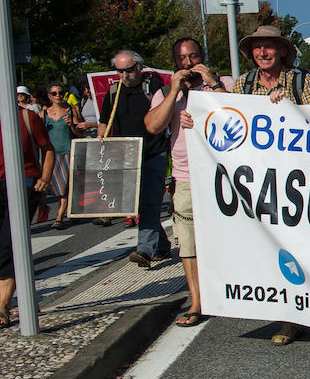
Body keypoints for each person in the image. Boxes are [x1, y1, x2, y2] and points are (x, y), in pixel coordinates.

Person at [231, 26, 310, 345]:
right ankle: (289, 318)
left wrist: (289, 109)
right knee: (277, 251)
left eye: (269, 47)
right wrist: (195, 121)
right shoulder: (243, 85)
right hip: (262, 182)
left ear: (281, 51)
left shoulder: (301, 81)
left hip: (301, 179)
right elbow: (227, 121)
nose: (263, 53)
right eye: (257, 48)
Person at [145, 38, 232, 327]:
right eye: (182, 59)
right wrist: (173, 92)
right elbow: (153, 126)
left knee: (229, 238)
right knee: (189, 243)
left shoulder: (224, 82)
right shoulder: (165, 92)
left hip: (225, 175)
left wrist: (213, 82)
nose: (188, 63)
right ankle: (198, 300)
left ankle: (233, 292)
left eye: (193, 57)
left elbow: (237, 113)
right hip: (185, 177)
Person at [98, 50, 172, 266]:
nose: (124, 75)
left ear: (139, 68)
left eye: (128, 70)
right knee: (138, 205)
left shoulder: (153, 88)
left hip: (153, 153)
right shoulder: (113, 92)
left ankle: (145, 250)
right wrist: (100, 139)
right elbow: (104, 121)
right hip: (125, 157)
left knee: (149, 202)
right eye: (119, 71)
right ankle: (162, 244)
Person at [0, 96, 53, 326]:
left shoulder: (26, 117)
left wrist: (45, 177)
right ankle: (26, 296)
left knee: (8, 242)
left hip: (23, 184)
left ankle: (2, 304)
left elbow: (47, 149)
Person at [41, 82, 88, 230]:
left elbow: (80, 133)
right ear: (49, 96)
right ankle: (70, 212)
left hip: (67, 152)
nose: (58, 96)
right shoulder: (44, 113)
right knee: (55, 186)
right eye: (54, 93)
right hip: (51, 154)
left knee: (65, 186)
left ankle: (59, 217)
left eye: (60, 93)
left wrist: (71, 125)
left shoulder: (69, 111)